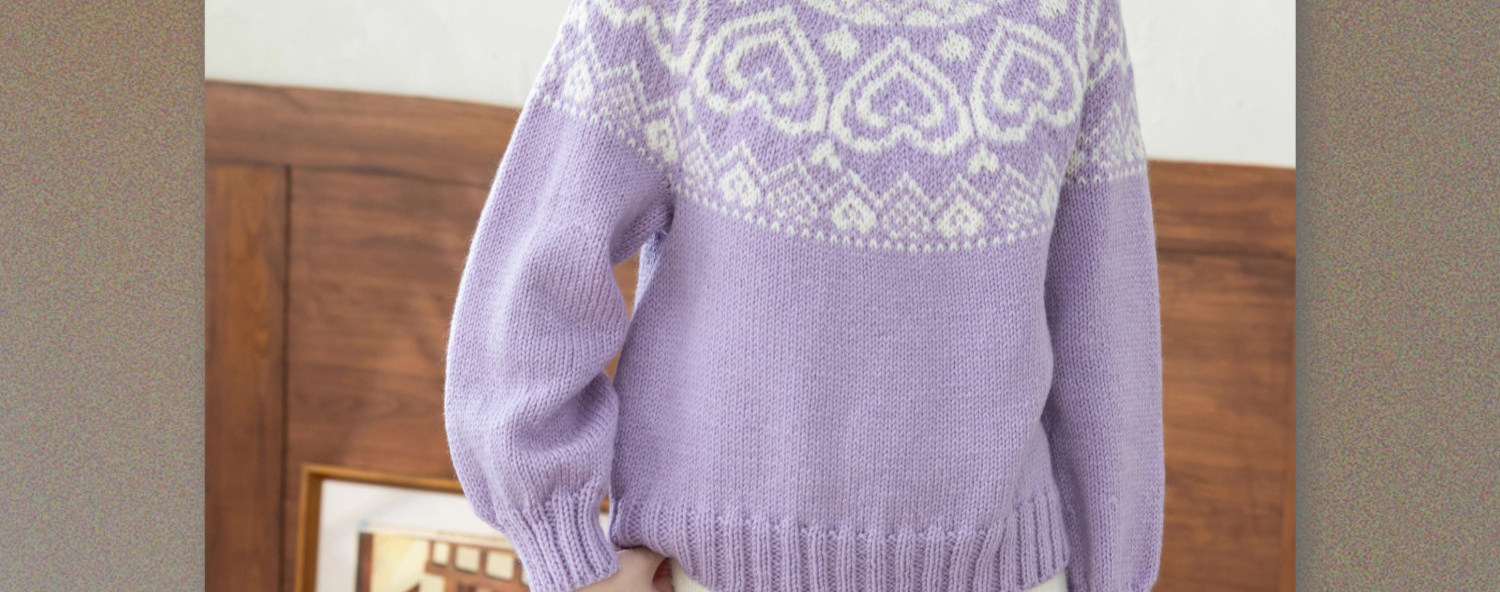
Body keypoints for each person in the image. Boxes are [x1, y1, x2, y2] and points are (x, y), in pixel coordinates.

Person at [444, 0, 1164, 590]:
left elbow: (1106, 336)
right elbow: (529, 285)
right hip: (712, 574)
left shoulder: (1071, 12)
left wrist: (1114, 576)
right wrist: (570, 558)